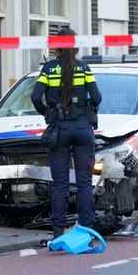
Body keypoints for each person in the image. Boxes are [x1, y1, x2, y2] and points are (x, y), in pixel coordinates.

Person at [31, 27, 102, 238]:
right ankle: (86, 230)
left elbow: (36, 97)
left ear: (57, 46)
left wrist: (48, 112)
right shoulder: (84, 68)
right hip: (82, 128)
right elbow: (97, 98)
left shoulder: (49, 69)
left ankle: (58, 232)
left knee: (60, 184)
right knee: (84, 182)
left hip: (59, 129)